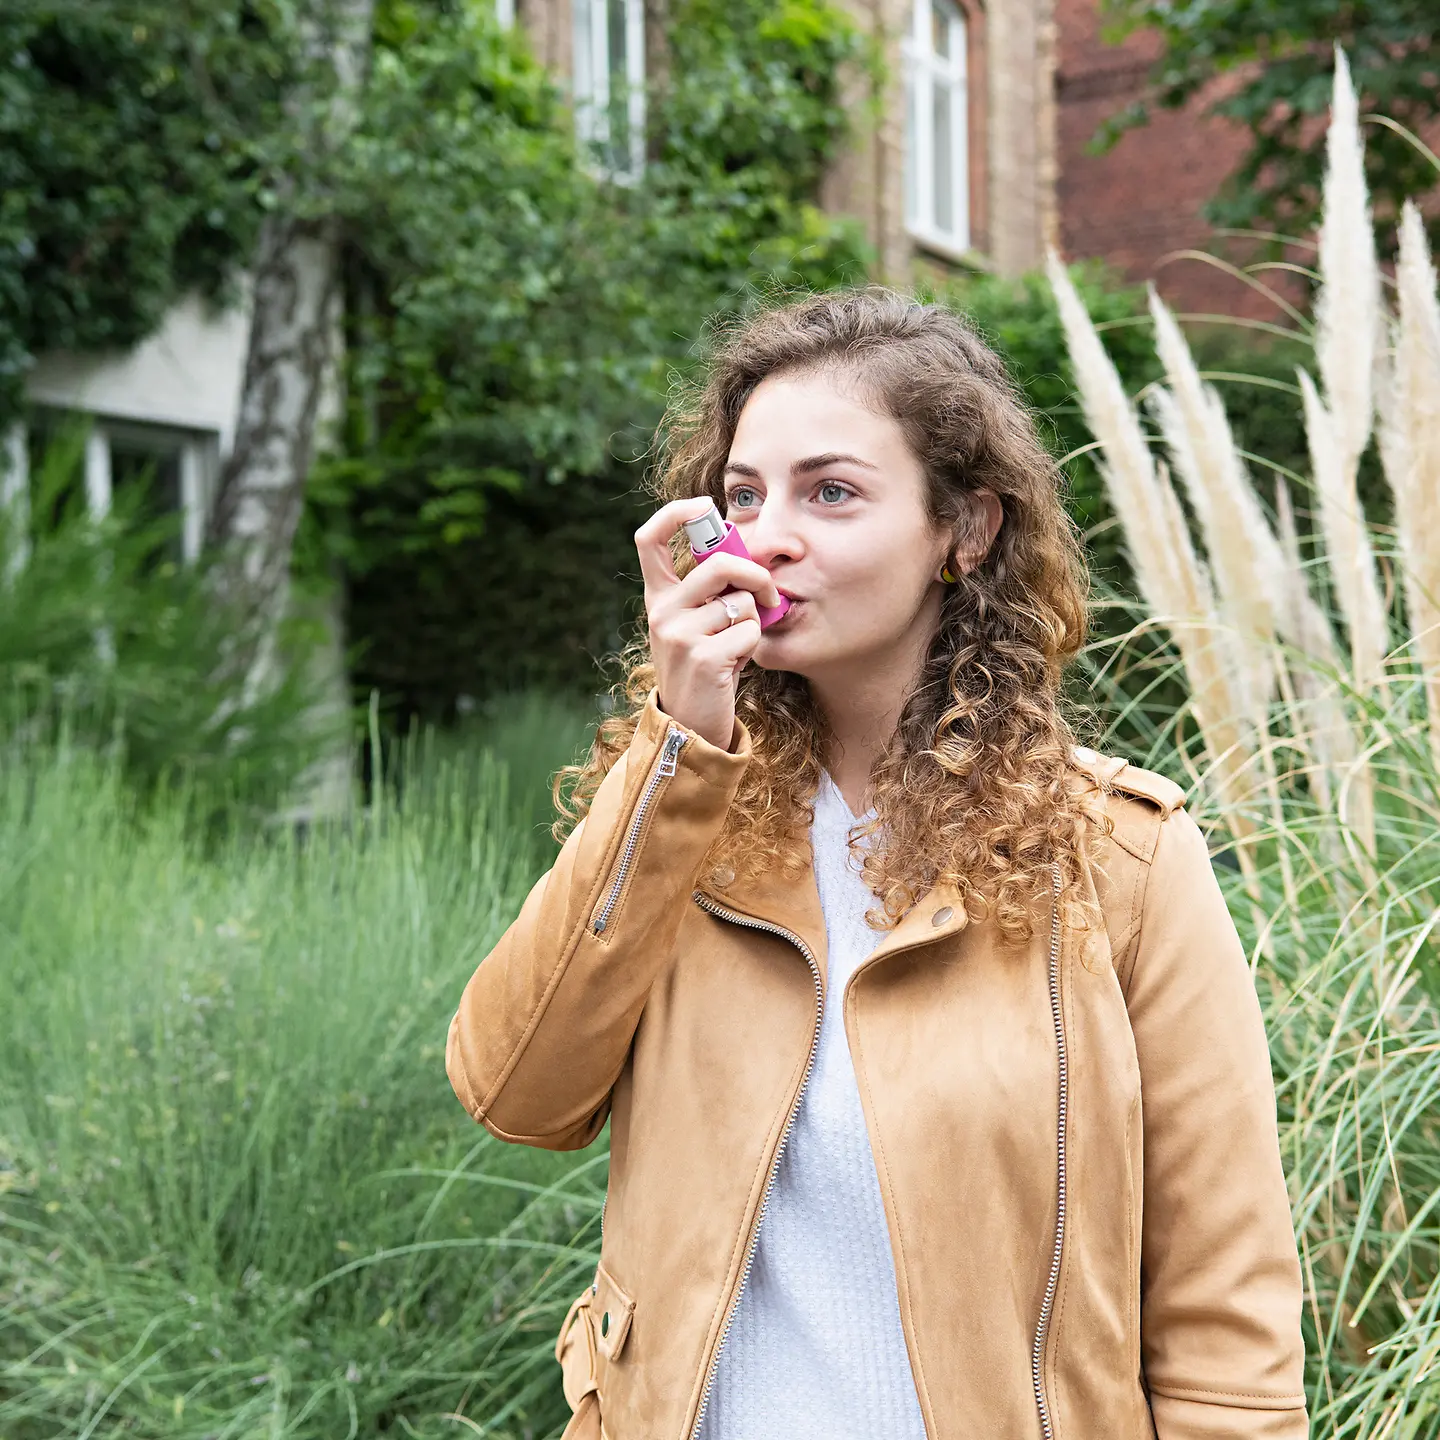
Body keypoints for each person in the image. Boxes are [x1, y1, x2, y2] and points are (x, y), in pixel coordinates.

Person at [444, 287, 1308, 1440]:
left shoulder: (1122, 858)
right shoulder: (681, 813)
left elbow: (1225, 1324)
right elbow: (516, 1092)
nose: (769, 534)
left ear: (967, 531)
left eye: (833, 492)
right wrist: (678, 748)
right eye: (743, 496)